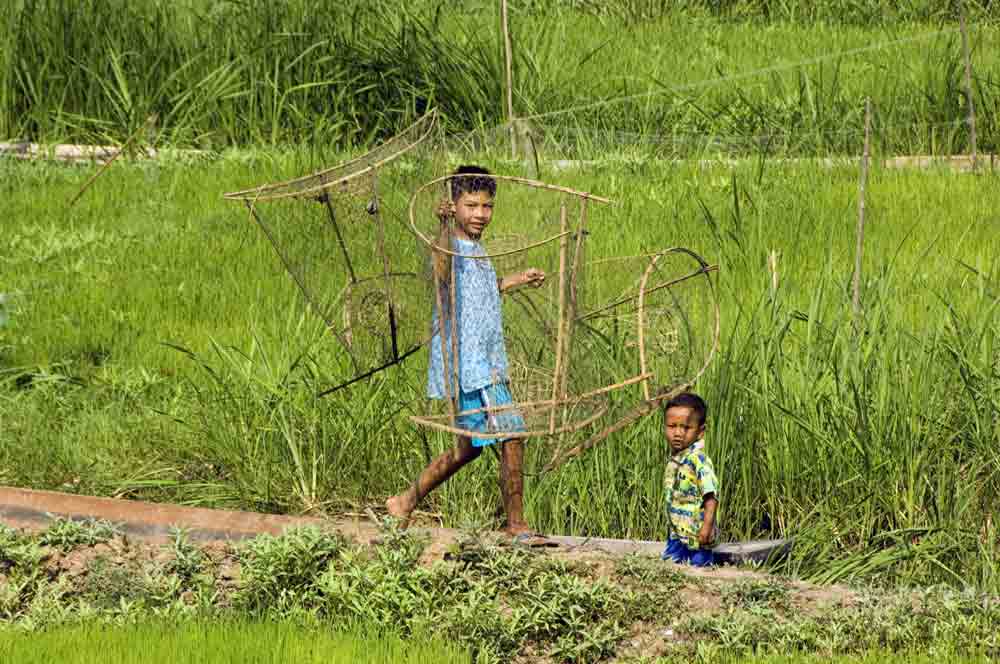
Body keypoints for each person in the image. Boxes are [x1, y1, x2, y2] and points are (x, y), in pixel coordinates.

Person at [386, 166, 547, 541]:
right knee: (512, 434)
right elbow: (440, 271)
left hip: (488, 358)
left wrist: (518, 280)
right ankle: (516, 525)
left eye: (486, 206)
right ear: (453, 205)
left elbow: (483, 289)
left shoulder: (478, 249)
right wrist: (442, 228)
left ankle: (405, 502)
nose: (479, 214)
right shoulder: (448, 245)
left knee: (468, 448)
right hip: (471, 363)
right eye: (470, 205)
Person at [661, 392, 719, 566]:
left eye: (686, 428)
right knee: (669, 566)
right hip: (677, 533)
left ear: (700, 432)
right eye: (672, 426)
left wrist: (707, 527)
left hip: (697, 532)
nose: (678, 433)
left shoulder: (698, 461)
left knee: (699, 567)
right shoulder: (676, 460)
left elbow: (711, 497)